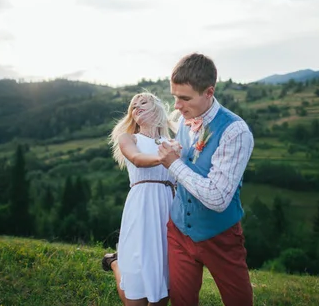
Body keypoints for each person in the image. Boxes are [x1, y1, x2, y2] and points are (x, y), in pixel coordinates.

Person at [158, 53, 255, 306]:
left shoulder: (235, 131)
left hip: (220, 236)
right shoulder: (184, 119)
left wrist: (174, 164)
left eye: (184, 98)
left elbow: (218, 197)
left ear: (209, 92)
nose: (177, 106)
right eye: (174, 96)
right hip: (178, 230)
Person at [102, 91, 176, 306]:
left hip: (168, 206)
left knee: (161, 289)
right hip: (142, 204)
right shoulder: (129, 138)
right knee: (135, 298)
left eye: (143, 102)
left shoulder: (173, 142)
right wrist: (168, 157)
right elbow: (137, 158)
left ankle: (118, 262)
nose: (137, 108)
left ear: (157, 109)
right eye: (133, 106)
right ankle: (116, 264)